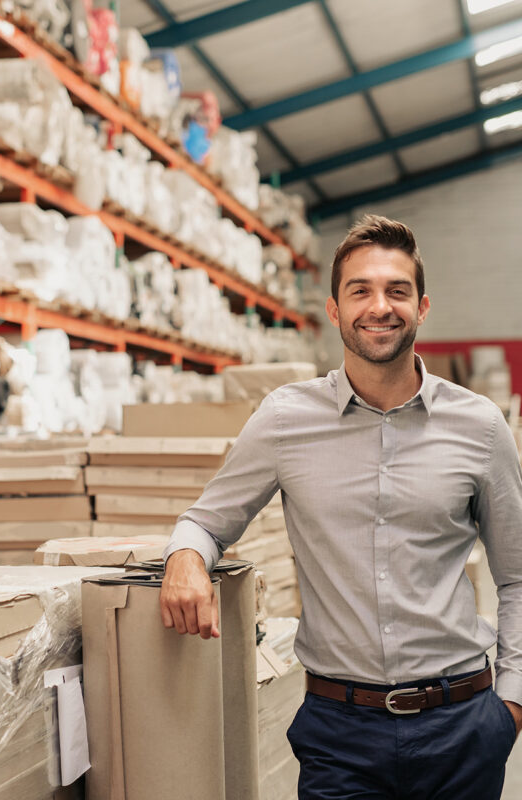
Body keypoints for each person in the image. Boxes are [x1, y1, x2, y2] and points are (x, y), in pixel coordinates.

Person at [159, 214, 522, 799]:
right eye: (361, 290)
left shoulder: (479, 426)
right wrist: (184, 559)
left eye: (397, 290)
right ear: (333, 310)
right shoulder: (283, 419)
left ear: (422, 307)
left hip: (462, 724)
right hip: (340, 731)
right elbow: (206, 520)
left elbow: (517, 576)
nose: (380, 306)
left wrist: (511, 704)